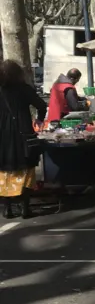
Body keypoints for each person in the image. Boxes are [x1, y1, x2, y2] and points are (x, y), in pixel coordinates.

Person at [0, 61, 47, 219]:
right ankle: (25, 207)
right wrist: (39, 121)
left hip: (3, 136)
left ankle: (7, 208)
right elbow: (41, 105)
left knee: (4, 171)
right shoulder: (24, 89)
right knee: (26, 169)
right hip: (23, 133)